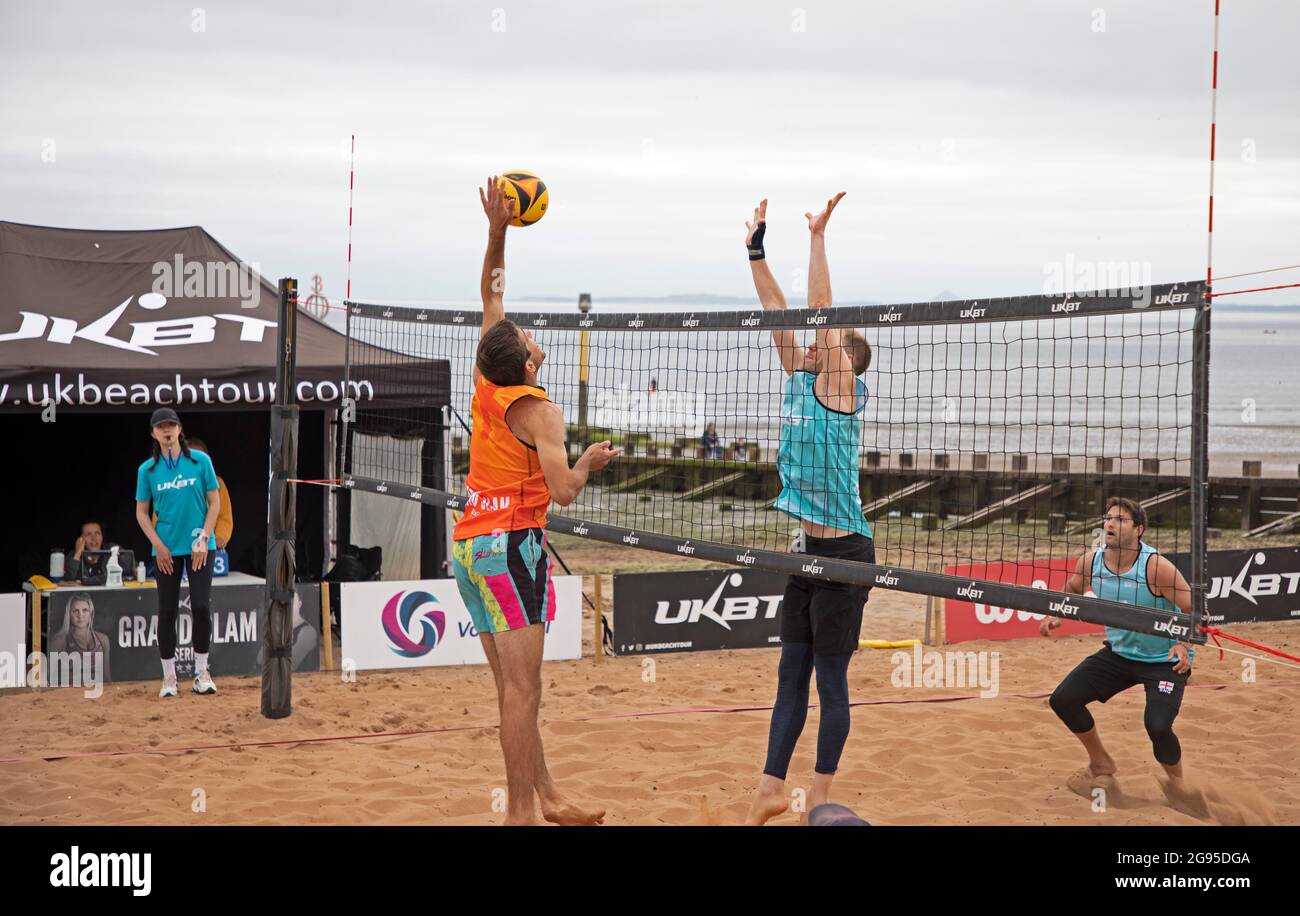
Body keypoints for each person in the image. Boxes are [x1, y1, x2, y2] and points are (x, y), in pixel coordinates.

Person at [451, 177, 620, 825]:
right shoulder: (540, 411)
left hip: (470, 545)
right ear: (525, 362)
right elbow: (565, 493)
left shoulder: (485, 377)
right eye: (525, 336)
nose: (526, 334)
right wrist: (588, 461)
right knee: (523, 694)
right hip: (512, 548)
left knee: (514, 691)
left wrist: (498, 229)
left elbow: (491, 293)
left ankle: (546, 796)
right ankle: (519, 814)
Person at [742, 194, 876, 826]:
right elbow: (778, 309)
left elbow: (822, 309)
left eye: (835, 342)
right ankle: (772, 785)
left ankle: (819, 797)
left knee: (830, 679)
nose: (824, 344)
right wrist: (757, 250)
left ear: (847, 360)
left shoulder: (841, 387)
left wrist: (819, 238)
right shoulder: (799, 375)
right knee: (789, 671)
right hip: (807, 549)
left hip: (847, 553)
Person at [1042, 496, 1195, 790]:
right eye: (1108, 517)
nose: (1110, 523)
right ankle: (1101, 762)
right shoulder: (1091, 562)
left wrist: (1181, 642)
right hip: (1119, 654)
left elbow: (1194, 609)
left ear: (1138, 529)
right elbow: (1073, 586)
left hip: (1164, 659)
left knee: (1158, 727)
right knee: (1063, 700)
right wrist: (1055, 612)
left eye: (1120, 519)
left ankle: (1179, 787)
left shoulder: (1155, 567)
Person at [134, 408, 221, 698]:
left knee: (200, 606)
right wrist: (157, 545)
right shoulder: (147, 470)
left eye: (171, 425)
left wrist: (205, 536)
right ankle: (169, 677)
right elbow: (141, 512)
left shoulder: (200, 461)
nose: (167, 430)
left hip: (199, 547)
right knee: (167, 610)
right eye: (161, 427)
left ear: (180, 429)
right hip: (167, 550)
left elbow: (215, 503)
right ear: (153, 434)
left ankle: (201, 672)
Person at [47, 592, 111, 684]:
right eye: (75, 611)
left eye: (85, 610)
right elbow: (48, 678)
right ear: (69, 614)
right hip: (69, 695)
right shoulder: (59, 640)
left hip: (96, 694)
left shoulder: (103, 640)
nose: (80, 615)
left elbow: (107, 677)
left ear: (91, 613)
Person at [185, 438, 234, 551]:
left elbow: (224, 517)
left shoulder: (217, 483)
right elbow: (160, 517)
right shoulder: (171, 483)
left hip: (209, 546)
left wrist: (220, 537)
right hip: (178, 547)